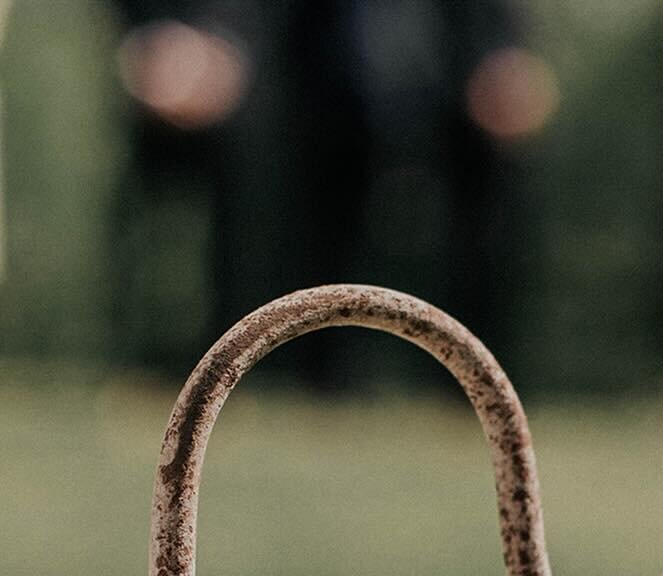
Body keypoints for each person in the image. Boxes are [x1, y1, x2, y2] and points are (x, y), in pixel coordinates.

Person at [111, 1, 555, 381]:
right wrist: (208, 43)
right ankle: (300, 374)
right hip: (309, 78)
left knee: (484, 199)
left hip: (441, 75)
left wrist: (500, 52)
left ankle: (465, 381)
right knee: (295, 206)